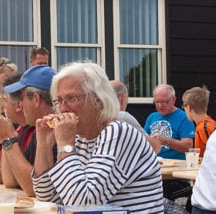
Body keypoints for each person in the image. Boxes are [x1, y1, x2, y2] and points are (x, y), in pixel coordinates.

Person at [31, 61, 163, 212]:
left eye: (72, 98)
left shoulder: (117, 132)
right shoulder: (81, 138)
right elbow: (47, 197)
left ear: (98, 100)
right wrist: (43, 145)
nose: (62, 108)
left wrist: (65, 145)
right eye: (59, 101)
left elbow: (82, 204)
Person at [0, 65, 57, 196]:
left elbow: (33, 188)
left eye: (21, 98)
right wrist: (4, 139)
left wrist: (8, 138)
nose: (20, 105)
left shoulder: (56, 129)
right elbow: (9, 180)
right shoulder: (38, 128)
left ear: (36, 99)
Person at [145, 84, 194, 160]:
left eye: (164, 102)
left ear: (173, 99)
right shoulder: (152, 117)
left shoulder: (184, 117)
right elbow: (144, 140)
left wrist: (167, 141)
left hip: (175, 166)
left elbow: (188, 146)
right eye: (157, 102)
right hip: (154, 163)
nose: (160, 105)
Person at [184, 85, 215, 159]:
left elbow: (213, 155)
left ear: (189, 107)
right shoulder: (209, 123)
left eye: (184, 105)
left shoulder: (204, 128)